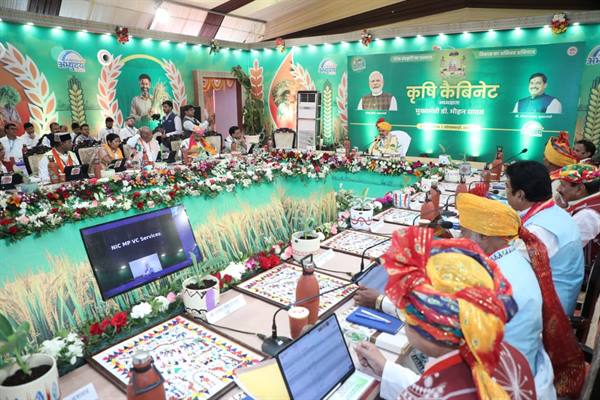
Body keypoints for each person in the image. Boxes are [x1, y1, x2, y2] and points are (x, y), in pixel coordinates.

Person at [355, 227, 536, 400]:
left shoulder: (433, 394)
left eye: (406, 313)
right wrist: (386, 369)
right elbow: (440, 385)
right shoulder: (507, 354)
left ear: (429, 328)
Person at [457, 193, 575, 399]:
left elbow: (452, 331)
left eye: (463, 231)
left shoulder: (496, 282)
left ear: (483, 236)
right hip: (524, 365)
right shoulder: (511, 257)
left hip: (504, 382)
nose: (459, 238)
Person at [505, 160, 584, 316]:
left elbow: (510, 269)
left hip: (551, 308)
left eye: (507, 186)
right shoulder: (552, 211)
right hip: (556, 291)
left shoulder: (539, 231)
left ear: (520, 195)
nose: (505, 191)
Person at [553, 164, 600, 247]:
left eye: (562, 184)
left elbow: (562, 247)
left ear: (579, 190)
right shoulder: (591, 204)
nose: (558, 189)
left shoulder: (587, 216)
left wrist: (558, 211)